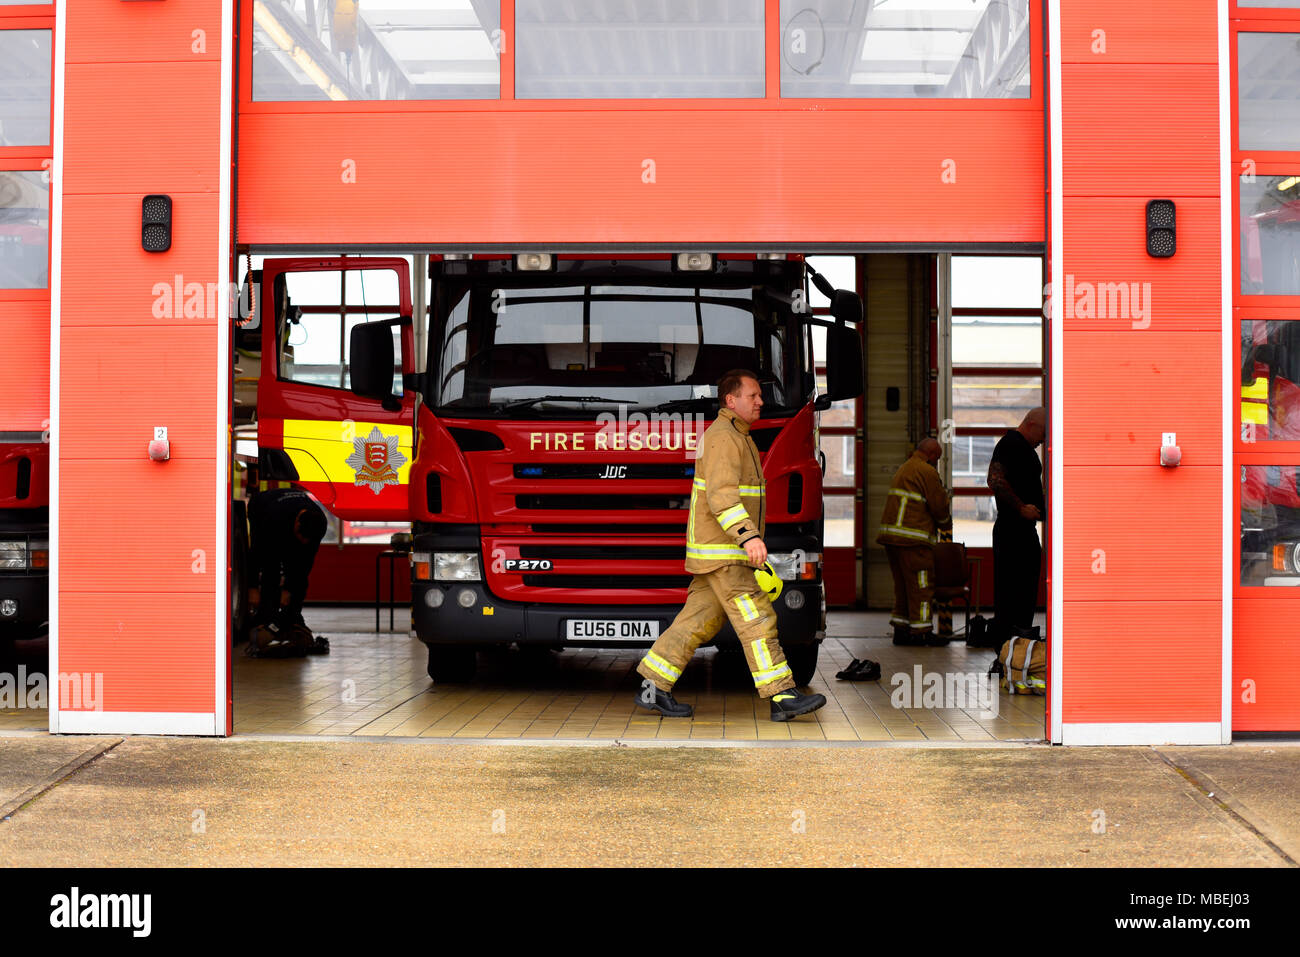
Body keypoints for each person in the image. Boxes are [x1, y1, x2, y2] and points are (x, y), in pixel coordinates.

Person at [634, 370, 828, 722]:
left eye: (759, 396)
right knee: (758, 619)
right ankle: (782, 694)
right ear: (731, 400)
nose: (760, 402)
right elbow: (722, 495)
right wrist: (748, 536)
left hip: (719, 552)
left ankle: (653, 686)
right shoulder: (725, 438)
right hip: (725, 553)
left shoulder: (737, 436)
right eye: (753, 396)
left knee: (696, 622)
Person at [877, 438, 953, 646]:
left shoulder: (906, 467)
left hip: (893, 540)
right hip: (913, 541)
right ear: (932, 456)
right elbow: (939, 506)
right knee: (921, 586)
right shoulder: (926, 472)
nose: (936, 462)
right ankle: (922, 632)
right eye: (936, 458)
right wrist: (946, 525)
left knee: (902, 587)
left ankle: (901, 631)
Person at [986, 407, 1046, 644]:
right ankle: (1005, 652)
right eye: (1043, 433)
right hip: (1012, 532)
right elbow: (994, 479)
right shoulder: (1010, 444)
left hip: (1025, 532)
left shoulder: (1025, 449)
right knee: (1011, 595)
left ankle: (1019, 649)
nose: (1043, 440)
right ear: (1031, 424)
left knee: (1025, 595)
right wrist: (1021, 508)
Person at [247, 485, 329, 656]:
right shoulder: (273, 519)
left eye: (307, 540)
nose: (303, 542)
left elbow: (304, 565)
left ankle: (291, 618)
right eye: (301, 537)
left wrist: (289, 590)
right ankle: (266, 619)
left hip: (287, 518)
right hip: (261, 507)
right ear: (297, 523)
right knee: (271, 569)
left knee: (300, 573)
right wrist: (252, 587)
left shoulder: (318, 524)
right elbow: (256, 553)